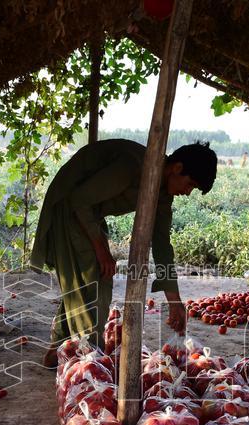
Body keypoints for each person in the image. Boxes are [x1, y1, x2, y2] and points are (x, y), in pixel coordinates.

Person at [30, 139, 218, 366]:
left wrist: (175, 301)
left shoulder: (163, 194)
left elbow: (162, 246)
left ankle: (60, 351)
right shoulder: (132, 165)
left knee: (87, 283)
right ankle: (88, 366)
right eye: (190, 184)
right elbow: (78, 200)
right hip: (69, 209)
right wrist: (100, 248)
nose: (187, 193)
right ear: (177, 168)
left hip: (87, 215)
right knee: (93, 281)